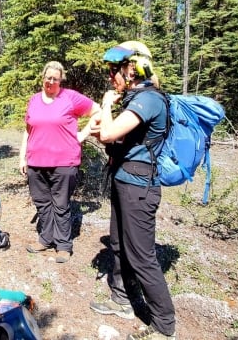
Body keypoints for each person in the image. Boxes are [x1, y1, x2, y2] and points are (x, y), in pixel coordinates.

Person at [88, 41, 176, 340]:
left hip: (140, 187)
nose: (112, 76)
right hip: (123, 180)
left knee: (141, 255)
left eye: (116, 70)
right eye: (111, 70)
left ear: (134, 69)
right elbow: (109, 140)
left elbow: (110, 132)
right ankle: (121, 300)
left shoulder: (149, 99)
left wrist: (106, 104)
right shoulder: (134, 99)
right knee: (117, 244)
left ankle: (164, 324)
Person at [18, 61, 100, 263]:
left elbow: (97, 110)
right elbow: (28, 130)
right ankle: (45, 238)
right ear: (43, 78)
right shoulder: (34, 100)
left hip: (64, 161)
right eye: (48, 77)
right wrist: (22, 156)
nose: (51, 81)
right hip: (36, 162)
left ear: (61, 80)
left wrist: (83, 134)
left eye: (55, 78)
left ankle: (63, 245)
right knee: (42, 203)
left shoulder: (70, 98)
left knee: (61, 204)